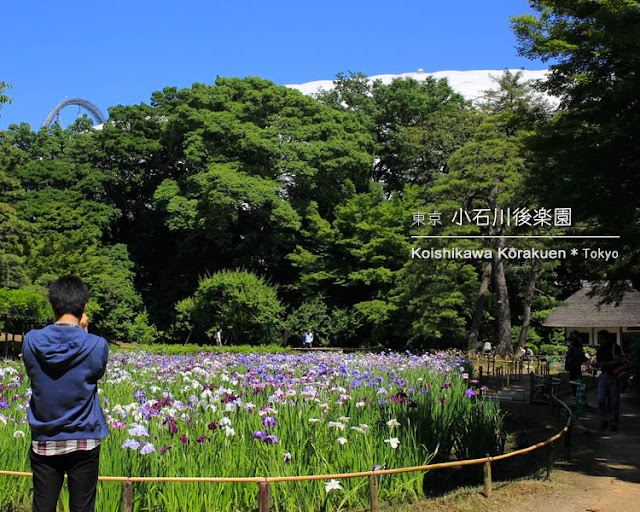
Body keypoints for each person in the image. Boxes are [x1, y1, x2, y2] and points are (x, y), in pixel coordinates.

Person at [22, 276, 109, 512]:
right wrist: (85, 331)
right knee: (82, 507)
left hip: (45, 438)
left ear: (53, 305)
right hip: (84, 438)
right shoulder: (97, 345)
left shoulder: (31, 341)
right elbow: (95, 372)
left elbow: (33, 372)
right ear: (84, 306)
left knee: (43, 506)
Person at [594, 330, 623, 431]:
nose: (599, 341)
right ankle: (604, 420)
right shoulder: (600, 350)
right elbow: (599, 362)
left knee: (614, 401)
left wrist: (602, 364)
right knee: (600, 399)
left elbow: (617, 361)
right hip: (604, 375)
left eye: (601, 338)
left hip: (614, 376)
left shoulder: (615, 348)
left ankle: (614, 422)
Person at [565, 330, 586, 395]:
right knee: (578, 378)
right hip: (577, 364)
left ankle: (575, 393)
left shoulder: (572, 347)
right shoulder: (580, 347)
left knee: (573, 379)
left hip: (572, 364)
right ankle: (578, 393)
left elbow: (568, 356)